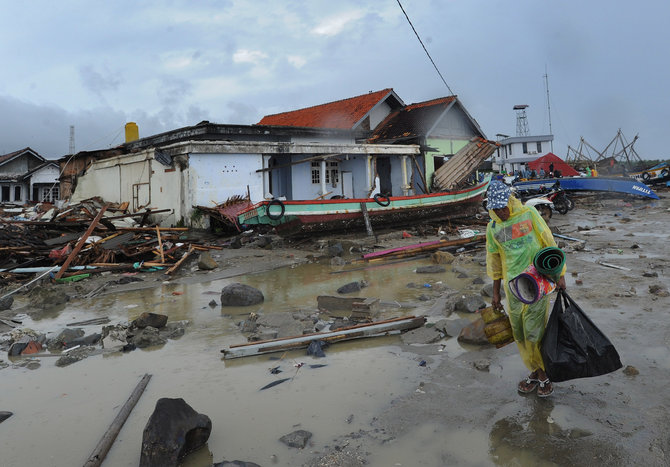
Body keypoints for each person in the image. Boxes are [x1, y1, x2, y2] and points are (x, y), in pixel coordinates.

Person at [485, 180, 566, 397]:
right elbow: (494, 261)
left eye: (503, 206)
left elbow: (549, 242)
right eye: (496, 208)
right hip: (513, 288)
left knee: (534, 332)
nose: (500, 212)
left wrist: (560, 274)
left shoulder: (529, 214)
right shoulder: (493, 228)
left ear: (510, 202)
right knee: (519, 332)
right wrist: (495, 293)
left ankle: (543, 376)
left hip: (536, 283)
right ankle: (534, 370)